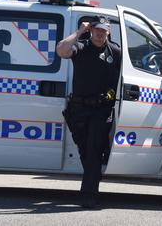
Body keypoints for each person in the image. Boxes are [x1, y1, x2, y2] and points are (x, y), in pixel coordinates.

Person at [56, 15, 121, 208]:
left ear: (109, 31)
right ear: (91, 30)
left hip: (101, 110)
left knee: (94, 151)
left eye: (103, 30)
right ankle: (92, 180)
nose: (100, 34)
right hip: (79, 109)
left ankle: (89, 194)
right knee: (85, 151)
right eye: (96, 30)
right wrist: (79, 32)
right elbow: (61, 51)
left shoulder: (115, 52)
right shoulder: (81, 47)